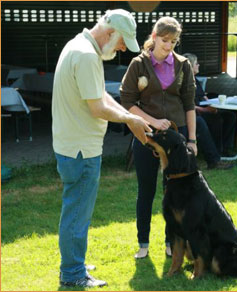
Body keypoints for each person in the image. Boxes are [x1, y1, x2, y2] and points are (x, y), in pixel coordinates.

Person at [52, 9, 152, 288]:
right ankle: (72, 273)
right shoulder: (85, 55)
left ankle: (75, 262)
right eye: (122, 42)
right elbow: (96, 107)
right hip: (80, 150)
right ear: (109, 33)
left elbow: (101, 95)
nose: (122, 48)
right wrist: (129, 118)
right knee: (76, 214)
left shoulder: (80, 46)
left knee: (76, 211)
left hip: (73, 146)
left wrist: (131, 116)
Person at [120, 17, 197, 259]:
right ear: (154, 37)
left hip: (177, 139)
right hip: (147, 136)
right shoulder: (138, 64)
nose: (169, 46)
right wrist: (152, 122)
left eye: (173, 42)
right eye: (165, 41)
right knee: (146, 190)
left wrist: (192, 140)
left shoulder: (183, 65)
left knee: (173, 193)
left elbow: (189, 105)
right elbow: (127, 103)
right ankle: (143, 243)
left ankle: (170, 241)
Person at [184, 53, 237, 159]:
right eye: (196, 63)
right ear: (190, 66)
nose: (198, 65)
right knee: (217, 119)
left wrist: (214, 104)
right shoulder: (184, 82)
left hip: (204, 108)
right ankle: (216, 151)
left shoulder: (195, 79)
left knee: (231, 116)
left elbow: (204, 96)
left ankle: (225, 148)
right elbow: (188, 106)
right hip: (196, 113)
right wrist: (206, 110)